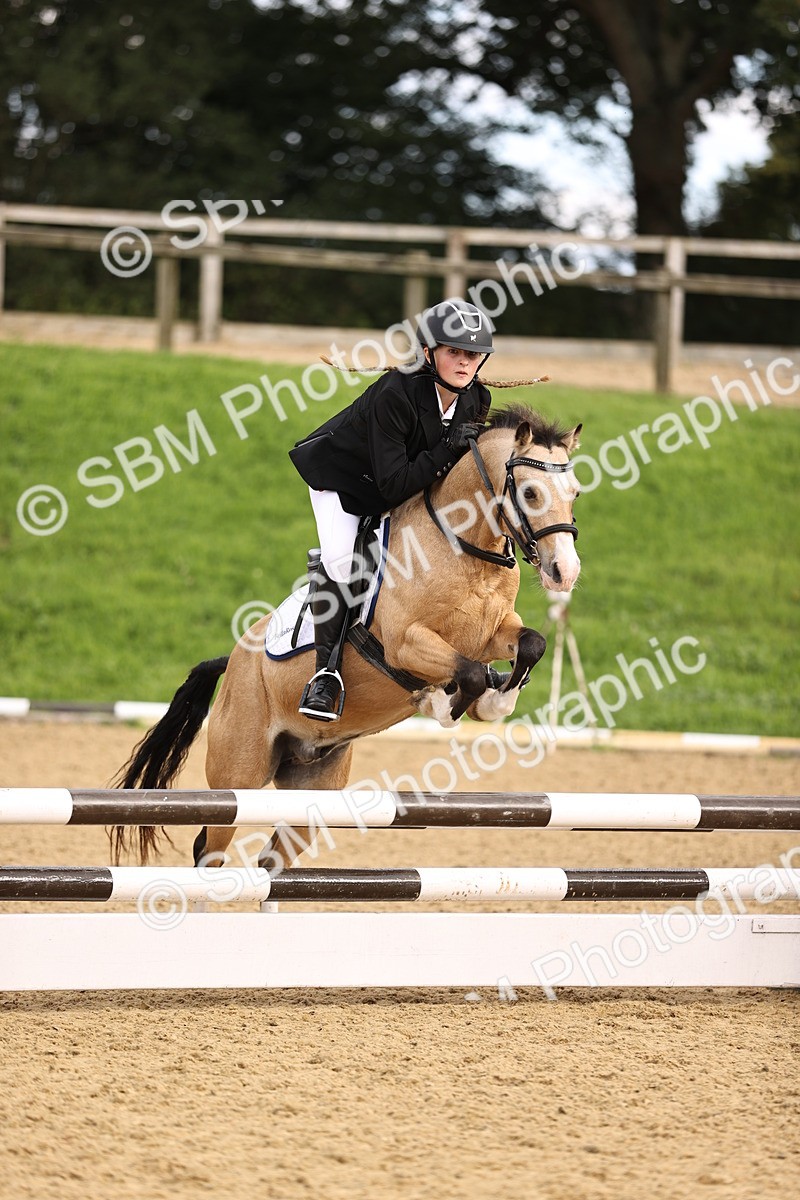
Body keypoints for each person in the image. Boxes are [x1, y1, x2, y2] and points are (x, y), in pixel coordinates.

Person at [288, 298, 494, 722]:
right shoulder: (395, 394)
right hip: (344, 483)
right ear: (427, 353)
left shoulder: (477, 398)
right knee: (345, 563)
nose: (464, 362)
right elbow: (392, 485)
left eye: (472, 354)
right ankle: (325, 675)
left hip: (403, 486)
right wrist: (446, 448)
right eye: (453, 351)